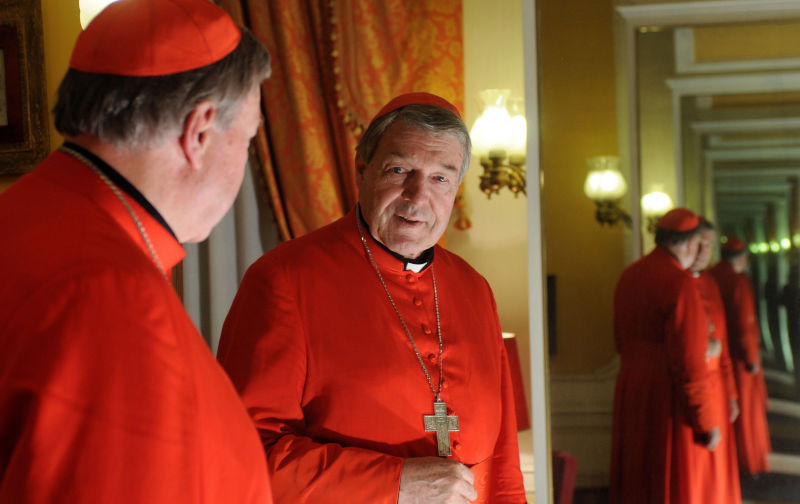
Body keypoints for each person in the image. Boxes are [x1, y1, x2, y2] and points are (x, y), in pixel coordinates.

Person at [0, 0, 273, 501]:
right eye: (249, 139)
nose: (244, 161)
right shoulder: (111, 299)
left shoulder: (27, 214)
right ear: (200, 130)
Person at [218, 92, 527, 504]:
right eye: (399, 170)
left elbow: (503, 461)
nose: (418, 197)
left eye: (440, 177)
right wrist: (395, 483)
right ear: (362, 170)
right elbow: (244, 454)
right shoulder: (284, 280)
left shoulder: (474, 289)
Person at [609, 207, 719, 504]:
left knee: (638, 479)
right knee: (672, 484)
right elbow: (690, 362)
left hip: (632, 387)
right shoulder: (680, 282)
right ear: (689, 244)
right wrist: (706, 420)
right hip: (667, 396)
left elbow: (620, 340)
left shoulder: (630, 275)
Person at [688, 219, 741, 503]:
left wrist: (732, 393)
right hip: (695, 385)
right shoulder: (678, 283)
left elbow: (723, 343)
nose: (705, 251)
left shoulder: (710, 281)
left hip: (718, 387)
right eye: (701, 244)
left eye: (710, 245)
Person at [710, 237, 772, 475]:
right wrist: (752, 358)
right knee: (745, 411)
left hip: (719, 355)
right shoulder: (739, 282)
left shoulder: (712, 275)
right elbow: (745, 323)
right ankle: (748, 461)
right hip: (737, 357)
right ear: (743, 257)